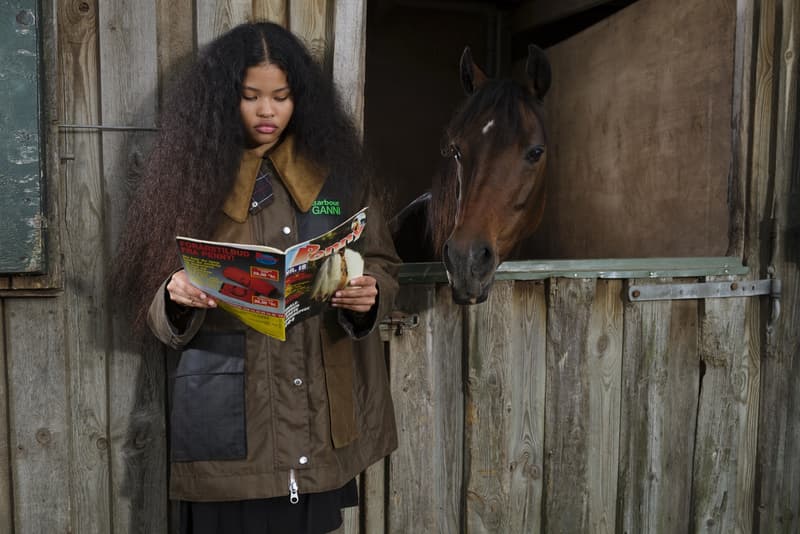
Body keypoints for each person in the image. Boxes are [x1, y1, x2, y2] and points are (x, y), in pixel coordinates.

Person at [113, 21, 400, 534]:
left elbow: (382, 260)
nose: (268, 111)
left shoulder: (339, 174)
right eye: (251, 97)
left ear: (301, 99)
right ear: (226, 98)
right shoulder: (190, 178)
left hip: (317, 417)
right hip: (231, 425)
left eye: (282, 97)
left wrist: (370, 294)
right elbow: (153, 297)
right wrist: (174, 294)